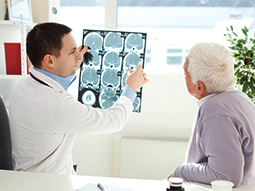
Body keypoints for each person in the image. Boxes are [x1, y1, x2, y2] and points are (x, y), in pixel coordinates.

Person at [9, 22, 149, 175]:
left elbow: (54, 90)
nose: (79, 56)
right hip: (48, 184)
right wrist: (131, 88)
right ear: (49, 61)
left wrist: (71, 63)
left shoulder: (22, 85)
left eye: (77, 49)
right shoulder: (57, 105)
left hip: (30, 176)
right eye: (71, 52)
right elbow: (114, 121)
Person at [167, 42, 255, 186]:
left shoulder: (216, 112)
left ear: (199, 86)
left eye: (185, 74)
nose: (184, 77)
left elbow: (225, 176)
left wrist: (180, 172)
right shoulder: (239, 98)